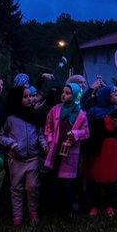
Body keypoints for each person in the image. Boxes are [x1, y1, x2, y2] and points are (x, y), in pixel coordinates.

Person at [0, 86, 46, 226]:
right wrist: (11, 143)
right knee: (16, 188)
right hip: (16, 160)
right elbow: (0, 136)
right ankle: (17, 216)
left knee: (32, 187)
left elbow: (40, 134)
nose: (29, 99)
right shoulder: (10, 118)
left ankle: (33, 213)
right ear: (17, 99)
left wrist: (43, 144)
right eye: (25, 97)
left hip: (33, 158)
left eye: (30, 96)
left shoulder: (35, 116)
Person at [43, 82, 90, 221]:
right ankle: (53, 209)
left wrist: (75, 134)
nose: (64, 95)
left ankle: (68, 209)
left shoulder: (81, 113)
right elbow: (48, 128)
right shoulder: (55, 110)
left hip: (71, 151)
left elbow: (86, 132)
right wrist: (51, 141)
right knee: (54, 179)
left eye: (68, 93)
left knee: (69, 181)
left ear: (74, 95)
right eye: (63, 92)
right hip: (56, 149)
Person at [85, 86, 117, 218]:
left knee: (111, 178)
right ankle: (94, 206)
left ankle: (109, 205)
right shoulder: (94, 111)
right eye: (114, 94)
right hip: (98, 148)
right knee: (96, 177)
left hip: (113, 149)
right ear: (106, 95)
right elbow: (89, 129)